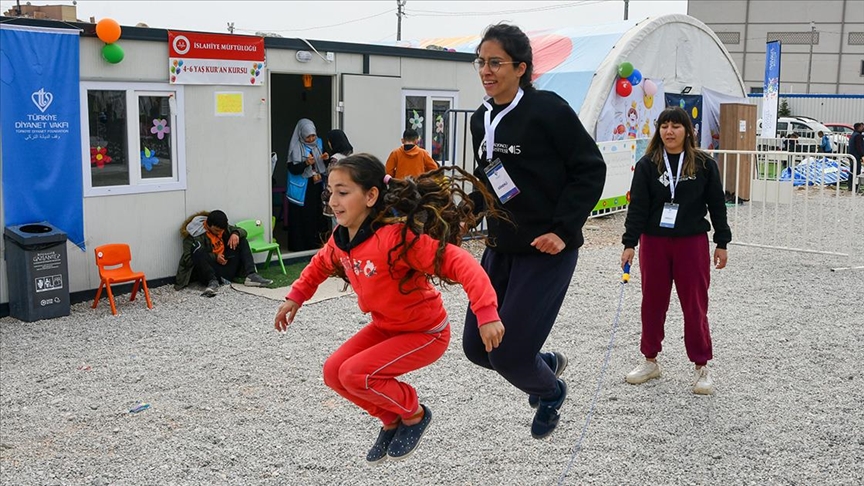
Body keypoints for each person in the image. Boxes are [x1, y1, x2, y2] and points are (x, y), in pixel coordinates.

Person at [273, 154, 506, 463]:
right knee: (333, 373)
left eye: (343, 192)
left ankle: (414, 413)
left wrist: (486, 312)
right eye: (330, 192)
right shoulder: (340, 239)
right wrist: (295, 297)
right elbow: (319, 264)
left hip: (426, 333)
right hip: (386, 327)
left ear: (371, 196)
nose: (333, 200)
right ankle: (391, 418)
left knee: (356, 373)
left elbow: (459, 262)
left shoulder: (396, 238)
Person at [463, 23, 606, 440]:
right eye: (481, 63)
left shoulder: (549, 110)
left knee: (508, 354)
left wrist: (563, 229)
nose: (486, 71)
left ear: (521, 67)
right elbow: (487, 176)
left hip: (546, 252)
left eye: (495, 63)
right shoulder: (481, 118)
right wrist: (465, 212)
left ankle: (551, 390)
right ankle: (543, 361)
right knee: (476, 348)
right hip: (500, 248)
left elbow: (589, 169)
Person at [620, 106, 731, 395]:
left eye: (676, 126)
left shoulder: (704, 164)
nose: (669, 132)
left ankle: (701, 365)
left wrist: (722, 241)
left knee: (694, 304)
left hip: (691, 241)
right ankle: (650, 359)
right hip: (654, 242)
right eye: (664, 126)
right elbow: (638, 207)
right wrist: (629, 243)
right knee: (653, 302)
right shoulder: (648, 164)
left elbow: (717, 205)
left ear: (688, 131)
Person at [175, 210, 273, 297]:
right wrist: (215, 257)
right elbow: (188, 259)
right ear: (208, 225)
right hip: (208, 271)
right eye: (217, 231)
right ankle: (212, 283)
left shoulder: (223, 228)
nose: (219, 233)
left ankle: (251, 275)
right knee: (197, 249)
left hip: (226, 265)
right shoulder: (193, 235)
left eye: (222, 230)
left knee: (241, 239)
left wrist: (236, 234)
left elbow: (242, 231)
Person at [286, 118, 331, 251]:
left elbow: (325, 165)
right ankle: (299, 248)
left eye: (313, 136)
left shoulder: (320, 143)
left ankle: (316, 246)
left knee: (317, 215)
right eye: (308, 136)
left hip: (316, 186)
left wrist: (325, 159)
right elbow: (292, 169)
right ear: (301, 135)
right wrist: (306, 163)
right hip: (300, 190)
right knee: (301, 218)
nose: (311, 139)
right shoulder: (295, 147)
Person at [323, 129, 354, 218]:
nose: (329, 144)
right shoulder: (351, 157)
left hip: (336, 198)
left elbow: (330, 180)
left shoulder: (335, 160)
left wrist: (325, 196)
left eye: (329, 141)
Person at [846, 122, 864, 192]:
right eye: (862, 127)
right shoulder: (858, 136)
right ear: (858, 127)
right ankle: (855, 187)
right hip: (856, 156)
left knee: (852, 172)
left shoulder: (853, 135)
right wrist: (862, 155)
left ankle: (850, 186)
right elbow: (859, 147)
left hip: (852, 156)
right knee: (856, 172)